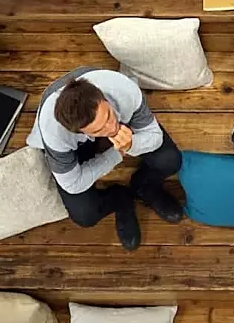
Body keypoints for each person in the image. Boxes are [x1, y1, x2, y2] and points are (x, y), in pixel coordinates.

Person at [26, 68, 183, 252]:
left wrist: (131, 144)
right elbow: (73, 183)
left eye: (108, 116)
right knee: (85, 215)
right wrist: (115, 154)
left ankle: (144, 186)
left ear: (103, 98)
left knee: (170, 160)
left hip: (113, 103)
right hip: (74, 143)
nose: (111, 129)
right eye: (98, 130)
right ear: (80, 132)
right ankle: (120, 198)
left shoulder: (123, 88)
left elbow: (154, 136)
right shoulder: (55, 133)